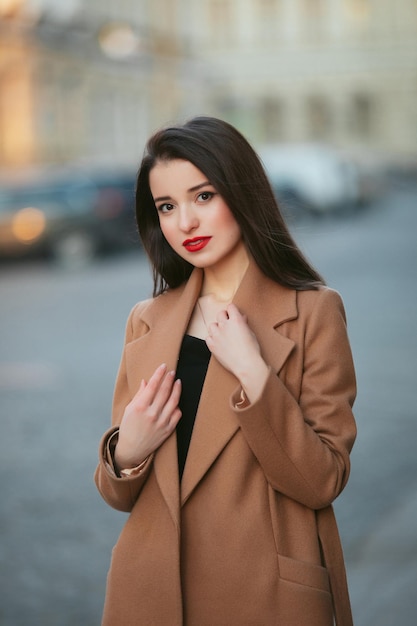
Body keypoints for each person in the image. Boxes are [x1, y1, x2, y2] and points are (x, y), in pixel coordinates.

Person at [94, 116, 357, 626]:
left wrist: (254, 373)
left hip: (264, 596)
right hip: (150, 595)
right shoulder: (146, 321)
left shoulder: (314, 312)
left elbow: (322, 481)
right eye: (166, 207)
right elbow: (118, 495)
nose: (185, 223)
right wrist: (129, 449)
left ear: (244, 194)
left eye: (204, 197)